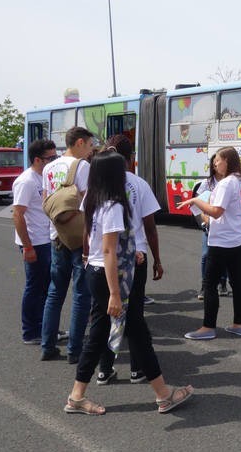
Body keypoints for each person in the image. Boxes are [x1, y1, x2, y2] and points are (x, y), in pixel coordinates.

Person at [64, 150, 192, 415]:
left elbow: (98, 241)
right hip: (113, 278)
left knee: (99, 333)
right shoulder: (114, 205)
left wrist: (127, 250)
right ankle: (163, 395)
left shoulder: (93, 198)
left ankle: (77, 397)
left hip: (96, 271)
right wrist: (114, 293)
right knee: (138, 333)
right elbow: (110, 250)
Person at [96, 135, 163, 386]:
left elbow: (85, 228)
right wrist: (157, 259)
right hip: (137, 256)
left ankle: (104, 369)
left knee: (103, 316)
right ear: (130, 158)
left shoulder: (97, 185)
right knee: (135, 315)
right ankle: (137, 370)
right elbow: (150, 228)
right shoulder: (139, 184)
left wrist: (85, 253)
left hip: (103, 260)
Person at [178, 146, 241, 340]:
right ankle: (238, 324)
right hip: (240, 237)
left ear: (227, 160)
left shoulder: (227, 183)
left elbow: (216, 211)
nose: (214, 163)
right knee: (237, 283)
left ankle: (208, 328)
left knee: (209, 283)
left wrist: (195, 200)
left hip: (223, 241)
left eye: (217, 160)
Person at [40, 127, 95, 363]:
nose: (92, 149)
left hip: (56, 235)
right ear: (80, 143)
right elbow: (89, 203)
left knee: (54, 293)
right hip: (78, 237)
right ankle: (75, 350)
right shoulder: (82, 167)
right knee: (81, 293)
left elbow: (46, 201)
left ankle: (47, 345)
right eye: (90, 144)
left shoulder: (49, 167)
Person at [13, 138, 58, 345]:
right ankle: (31, 331)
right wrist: (28, 246)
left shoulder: (45, 177)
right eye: (52, 157)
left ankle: (45, 328)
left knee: (46, 288)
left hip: (46, 239)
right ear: (38, 159)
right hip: (34, 242)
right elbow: (18, 214)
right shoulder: (27, 181)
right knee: (35, 287)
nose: (55, 160)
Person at [195, 153, 229, 301]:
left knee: (225, 256)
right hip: (209, 225)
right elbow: (198, 206)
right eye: (214, 162)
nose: (217, 164)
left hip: (225, 227)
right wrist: (205, 219)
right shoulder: (207, 184)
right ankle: (205, 285)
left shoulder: (230, 182)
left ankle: (222, 283)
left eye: (219, 161)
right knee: (205, 255)